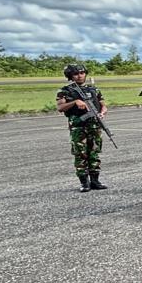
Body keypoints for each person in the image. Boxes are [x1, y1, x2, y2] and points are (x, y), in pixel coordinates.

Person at [55, 63, 108, 192]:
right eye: (76, 74)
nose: (79, 76)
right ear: (70, 76)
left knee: (94, 153)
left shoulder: (93, 89)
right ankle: (84, 182)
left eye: (82, 73)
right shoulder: (65, 91)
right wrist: (75, 102)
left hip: (94, 126)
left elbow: (103, 105)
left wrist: (102, 112)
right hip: (78, 127)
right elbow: (60, 107)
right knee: (80, 154)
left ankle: (95, 181)